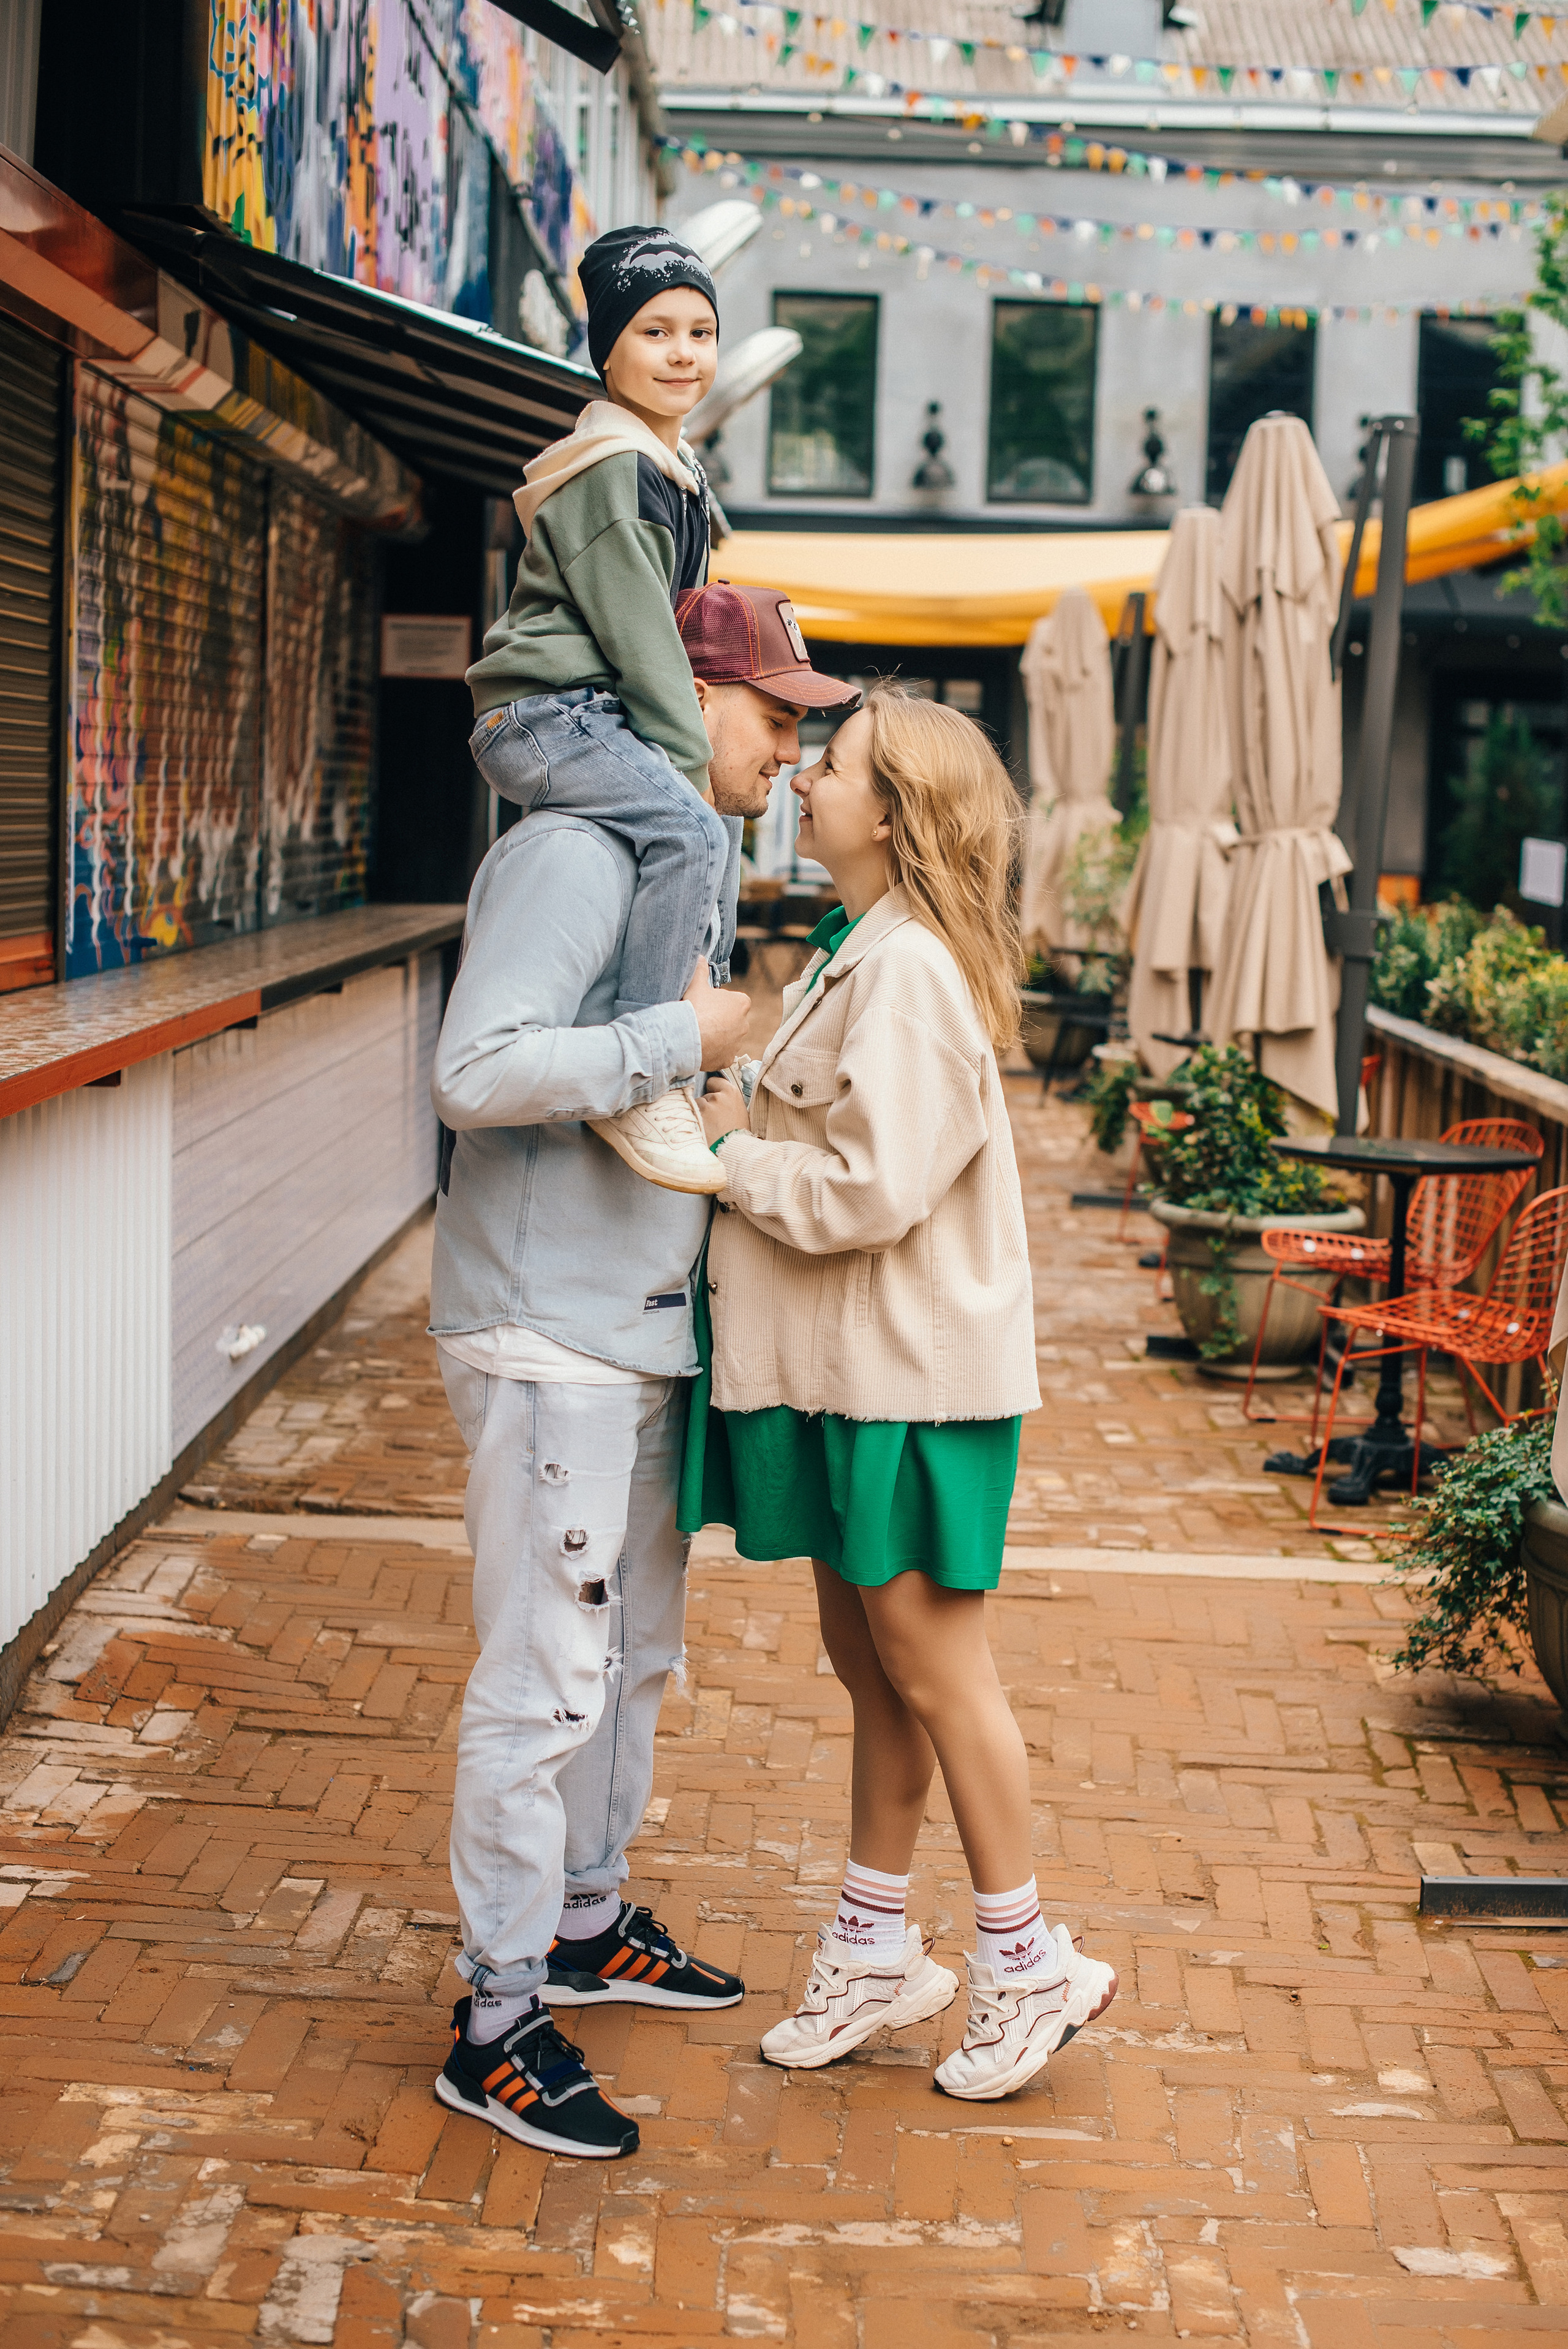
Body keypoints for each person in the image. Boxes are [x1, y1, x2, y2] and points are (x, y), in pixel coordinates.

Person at [429, 584, 859, 2161]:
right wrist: (675, 1044)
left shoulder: (682, 856)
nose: (790, 742)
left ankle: (582, 1921)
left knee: (633, 1658)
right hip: (546, 1324)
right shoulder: (572, 850)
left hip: (635, 1323)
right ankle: (492, 2019)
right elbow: (474, 1073)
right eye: (774, 710)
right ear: (682, 692)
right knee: (544, 1678)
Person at [685, 687, 1118, 2103]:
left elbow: (872, 1191)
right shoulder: (858, 953)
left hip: (909, 1388)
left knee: (935, 1671)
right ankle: (878, 1948)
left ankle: (1025, 1960)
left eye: (835, 764)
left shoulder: (910, 971)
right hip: (841, 1379)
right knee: (872, 1668)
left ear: (894, 812)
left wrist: (726, 1157)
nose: (803, 776)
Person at [467, 223, 737, 1200]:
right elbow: (643, 640)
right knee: (690, 828)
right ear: (609, 349)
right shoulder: (613, 474)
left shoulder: (672, 469)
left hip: (592, 712)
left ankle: (690, 1032)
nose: (682, 353)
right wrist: (692, 757)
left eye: (700, 332)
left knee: (719, 837)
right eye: (655, 331)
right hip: (544, 716)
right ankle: (641, 1076)